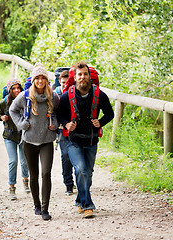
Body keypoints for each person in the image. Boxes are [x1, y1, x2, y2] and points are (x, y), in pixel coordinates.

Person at [57, 61, 114, 218]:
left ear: (89, 76)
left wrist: (100, 122)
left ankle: (80, 199)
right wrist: (66, 123)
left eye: (85, 74)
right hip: (73, 141)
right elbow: (59, 114)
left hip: (91, 141)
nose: (82, 77)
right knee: (81, 169)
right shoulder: (67, 95)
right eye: (79, 75)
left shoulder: (99, 95)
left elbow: (110, 114)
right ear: (75, 78)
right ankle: (88, 205)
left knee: (87, 175)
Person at [10, 63, 59, 220]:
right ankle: (36, 204)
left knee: (46, 174)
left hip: (46, 141)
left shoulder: (53, 96)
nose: (40, 81)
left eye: (43, 78)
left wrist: (55, 124)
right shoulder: (25, 96)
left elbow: (58, 113)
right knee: (34, 175)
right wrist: (22, 124)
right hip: (29, 141)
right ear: (33, 80)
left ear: (46, 80)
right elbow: (12, 110)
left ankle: (45, 209)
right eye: (37, 78)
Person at [0, 78, 30, 201]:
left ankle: (26, 180)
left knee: (24, 160)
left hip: (22, 135)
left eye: (18, 88)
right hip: (9, 136)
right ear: (9, 90)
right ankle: (12, 188)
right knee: (13, 161)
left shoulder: (25, 101)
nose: (16, 90)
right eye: (13, 88)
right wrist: (2, 117)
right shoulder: (3, 102)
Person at [54, 70, 75, 195]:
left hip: (76, 130)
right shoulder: (56, 94)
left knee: (76, 156)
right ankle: (68, 184)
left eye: (66, 82)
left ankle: (75, 180)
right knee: (66, 156)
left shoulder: (74, 93)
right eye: (62, 83)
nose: (64, 85)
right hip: (62, 131)